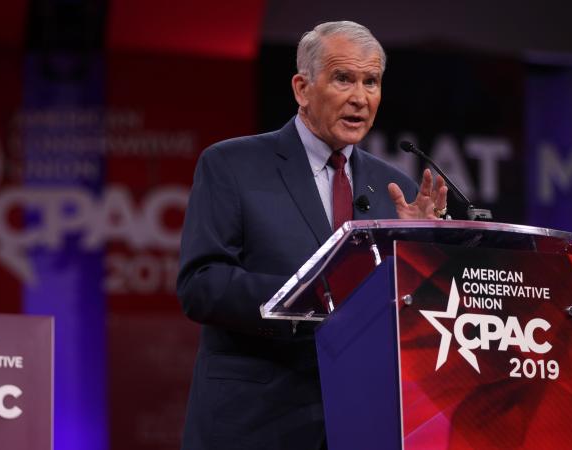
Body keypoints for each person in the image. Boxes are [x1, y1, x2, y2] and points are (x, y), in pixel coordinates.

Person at [177, 20, 448, 450]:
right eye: (344, 78)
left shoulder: (396, 189)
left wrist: (425, 251)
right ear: (302, 89)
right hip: (256, 420)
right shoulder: (232, 164)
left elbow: (411, 312)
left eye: (371, 81)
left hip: (362, 419)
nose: (360, 97)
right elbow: (201, 284)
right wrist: (305, 298)